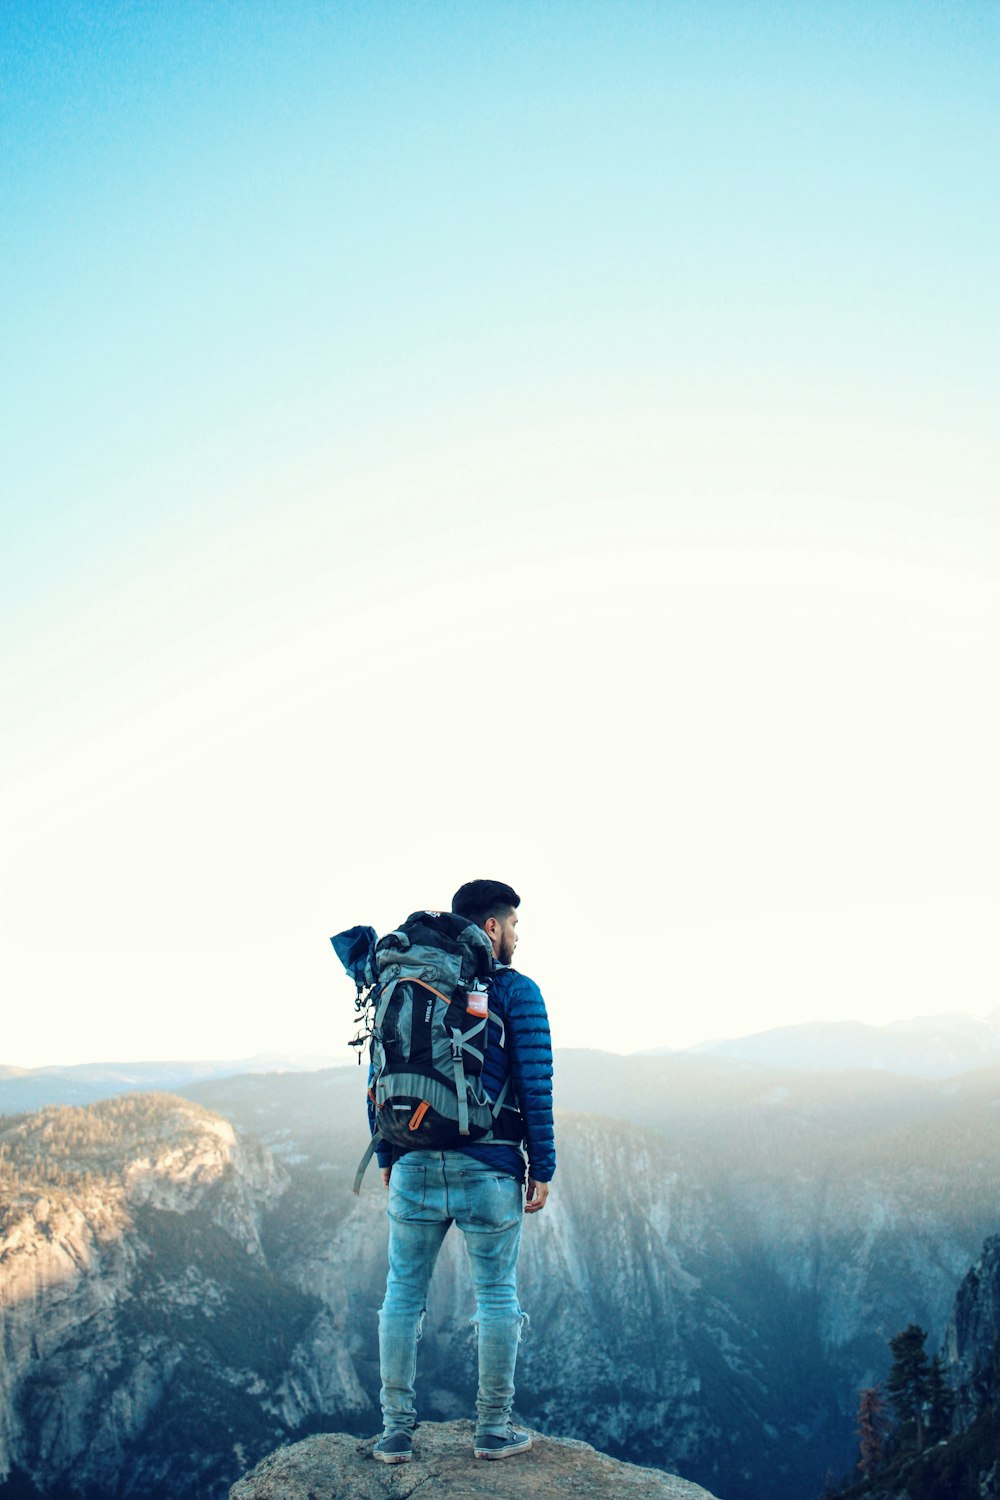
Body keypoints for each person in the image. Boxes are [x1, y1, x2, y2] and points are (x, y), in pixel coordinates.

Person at [371, 879, 556, 1465]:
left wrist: (386, 1154)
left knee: (402, 1295)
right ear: (493, 928)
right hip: (490, 1165)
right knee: (497, 1296)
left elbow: (379, 1069)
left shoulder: (407, 980)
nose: (518, 939)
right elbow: (535, 1084)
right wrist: (542, 1164)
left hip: (413, 1160)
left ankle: (396, 1432)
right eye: (515, 928)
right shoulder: (516, 991)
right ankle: (492, 1430)